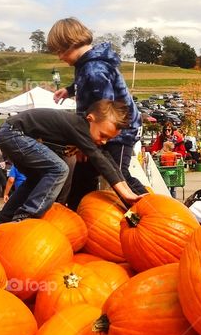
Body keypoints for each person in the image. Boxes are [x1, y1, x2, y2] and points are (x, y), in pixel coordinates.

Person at [47, 17, 148, 207]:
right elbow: (87, 87)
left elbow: (105, 113)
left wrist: (85, 141)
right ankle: (80, 218)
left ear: (71, 44)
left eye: (60, 51)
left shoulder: (94, 69)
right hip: (96, 132)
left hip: (117, 132)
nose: (59, 57)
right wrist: (69, 90)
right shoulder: (87, 65)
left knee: (118, 175)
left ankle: (154, 212)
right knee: (83, 176)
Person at [0, 100, 141, 223]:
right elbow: (99, 160)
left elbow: (107, 159)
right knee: (59, 169)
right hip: (14, 134)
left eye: (108, 139)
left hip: (14, 134)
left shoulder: (82, 128)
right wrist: (125, 194)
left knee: (36, 180)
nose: (103, 141)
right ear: (90, 119)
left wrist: (127, 192)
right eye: (102, 135)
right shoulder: (79, 125)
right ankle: (27, 216)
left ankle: (2, 220)